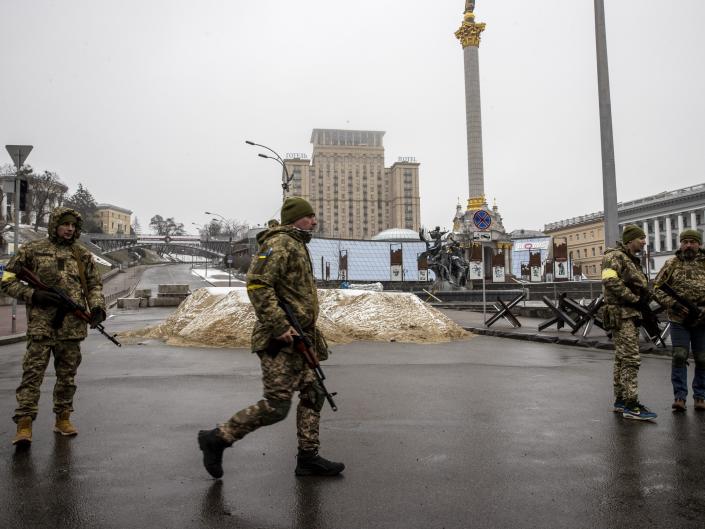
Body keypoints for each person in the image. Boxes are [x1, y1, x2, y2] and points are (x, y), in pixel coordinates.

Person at [198, 197, 344, 478]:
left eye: (314, 217)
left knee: (314, 393)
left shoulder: (298, 244)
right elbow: (257, 284)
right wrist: (279, 326)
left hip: (300, 336)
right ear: (295, 218)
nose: (314, 221)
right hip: (279, 339)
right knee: (277, 406)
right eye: (309, 216)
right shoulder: (279, 244)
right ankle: (218, 438)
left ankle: (308, 458)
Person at [1, 207, 106, 446]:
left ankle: (63, 419)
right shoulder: (32, 250)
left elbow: (94, 285)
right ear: (55, 224)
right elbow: (7, 280)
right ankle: (24, 424)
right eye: (65, 224)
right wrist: (33, 294)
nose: (70, 229)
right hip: (41, 327)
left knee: (67, 378)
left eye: (73, 226)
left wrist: (98, 308)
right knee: (32, 376)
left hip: (71, 329)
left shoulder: (82, 255)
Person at [601, 224, 657, 420]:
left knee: (621, 358)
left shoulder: (631, 260)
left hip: (630, 314)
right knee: (631, 359)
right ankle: (632, 405)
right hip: (622, 314)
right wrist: (635, 299)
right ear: (630, 240)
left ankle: (621, 401)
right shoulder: (614, 256)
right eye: (641, 238)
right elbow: (609, 280)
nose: (644, 242)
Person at [653, 229, 705, 412]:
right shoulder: (671, 263)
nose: (688, 245)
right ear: (680, 244)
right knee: (679, 356)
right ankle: (680, 397)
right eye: (685, 242)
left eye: (692, 241)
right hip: (678, 320)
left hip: (702, 320)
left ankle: (700, 396)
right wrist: (672, 304)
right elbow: (656, 287)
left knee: (702, 358)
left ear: (699, 244)